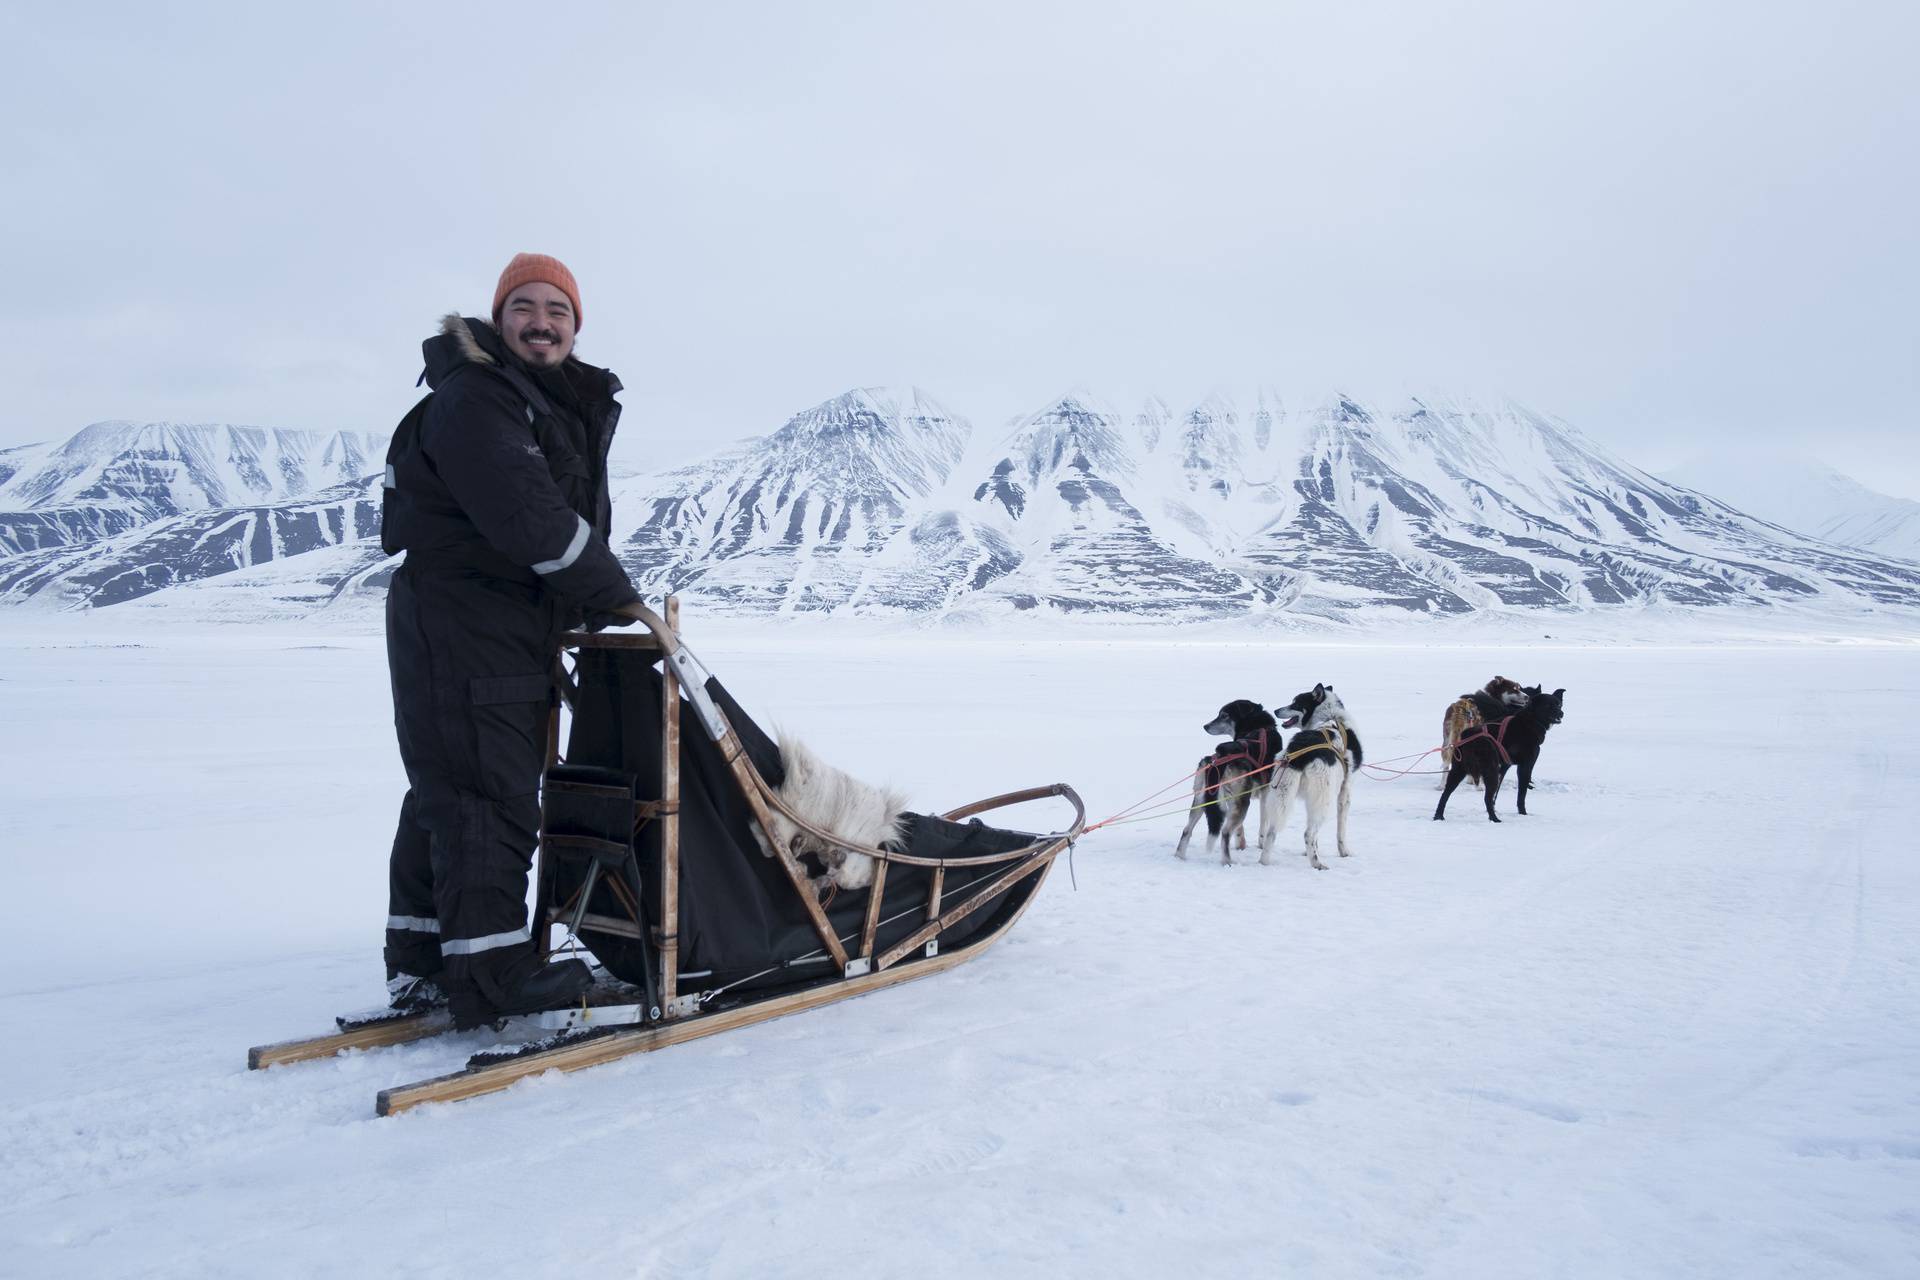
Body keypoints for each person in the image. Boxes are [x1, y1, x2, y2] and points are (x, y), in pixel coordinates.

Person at [378, 253, 641, 1028]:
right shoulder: (480, 399)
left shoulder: (536, 399)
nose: (542, 322)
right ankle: (491, 971)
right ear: (498, 320)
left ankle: (427, 957)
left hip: (496, 620)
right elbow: (528, 515)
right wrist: (612, 593)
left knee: (452, 787)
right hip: (469, 618)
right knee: (486, 793)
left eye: (558, 311)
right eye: (524, 307)